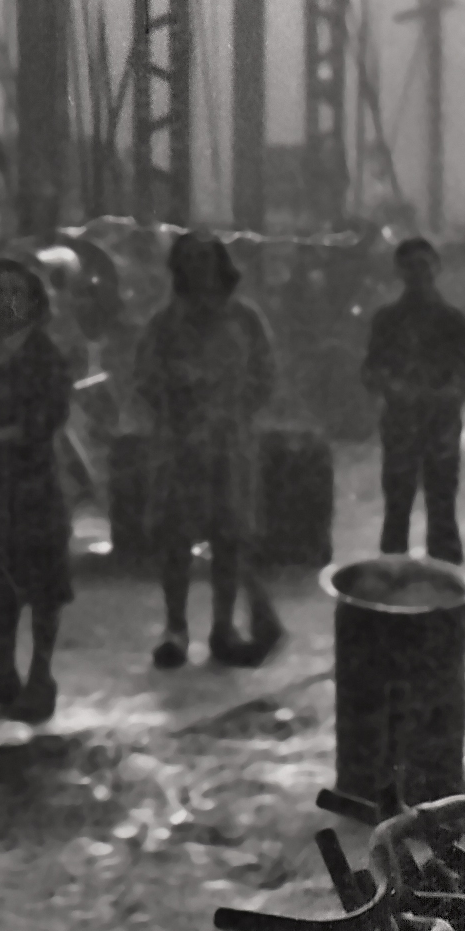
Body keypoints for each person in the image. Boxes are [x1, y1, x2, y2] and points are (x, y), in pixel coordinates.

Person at [131, 229, 283, 670]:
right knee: (175, 538)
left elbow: (265, 374)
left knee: (229, 536)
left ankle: (223, 627)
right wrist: (177, 403)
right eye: (189, 260)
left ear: (220, 264)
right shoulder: (164, 324)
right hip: (178, 444)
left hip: (229, 443)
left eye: (205, 258)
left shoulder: (245, 320)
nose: (198, 268)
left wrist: (232, 410)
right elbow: (144, 378)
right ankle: (175, 627)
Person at [0, 256, 78, 722]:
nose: (6, 302)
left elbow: (47, 418)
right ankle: (1, 671)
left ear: (33, 301)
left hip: (31, 480)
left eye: (16, 293)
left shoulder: (44, 355)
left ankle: (41, 677)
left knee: (41, 580)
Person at [361, 237, 465, 563]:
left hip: (439, 427)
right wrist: (396, 390)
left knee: (442, 510)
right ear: (399, 271)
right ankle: (393, 581)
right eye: (411, 267)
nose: (418, 274)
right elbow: (371, 371)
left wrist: (447, 395)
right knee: (398, 510)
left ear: (436, 268)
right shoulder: (387, 321)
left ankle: (444, 584)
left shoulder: (452, 321)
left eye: (423, 265)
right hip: (402, 426)